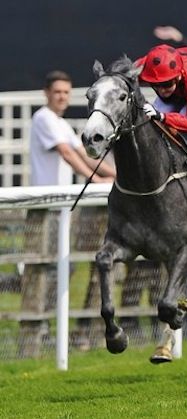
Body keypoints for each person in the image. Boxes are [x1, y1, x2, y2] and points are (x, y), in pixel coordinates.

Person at [20, 70, 116, 357]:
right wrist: (96, 180)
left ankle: (46, 327)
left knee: (62, 269)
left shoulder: (60, 123)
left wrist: (118, 175)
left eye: (66, 92)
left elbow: (85, 154)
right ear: (47, 93)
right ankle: (34, 333)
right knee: (43, 270)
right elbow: (67, 154)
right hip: (45, 207)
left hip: (63, 206)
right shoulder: (43, 119)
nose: (62, 97)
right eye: (57, 92)